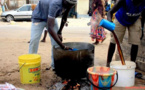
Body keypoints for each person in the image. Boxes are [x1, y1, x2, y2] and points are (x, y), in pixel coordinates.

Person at [29, 0, 77, 70]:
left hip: (51, 18)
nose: (70, 6)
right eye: (69, 4)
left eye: (72, 5)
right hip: (39, 18)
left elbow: (64, 17)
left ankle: (55, 65)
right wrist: (63, 46)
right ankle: (31, 65)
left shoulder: (69, 4)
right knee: (34, 41)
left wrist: (59, 32)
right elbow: (50, 29)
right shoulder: (55, 3)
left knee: (56, 44)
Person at [106, 0, 145, 67]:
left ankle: (132, 66)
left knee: (135, 41)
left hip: (135, 20)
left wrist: (142, 28)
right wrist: (110, 22)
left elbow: (144, 15)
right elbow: (110, 12)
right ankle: (108, 63)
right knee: (114, 41)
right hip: (121, 19)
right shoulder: (124, 1)